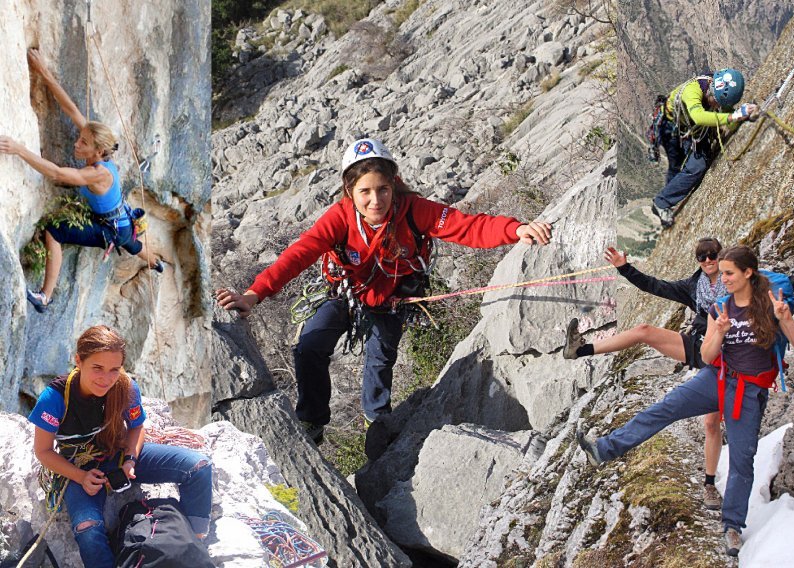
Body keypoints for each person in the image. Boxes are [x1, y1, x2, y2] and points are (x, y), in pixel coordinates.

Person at [216, 138, 552, 444]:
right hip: (344, 293)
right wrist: (254, 294)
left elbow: (466, 226)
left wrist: (515, 229)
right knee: (310, 346)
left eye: (383, 189)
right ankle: (312, 422)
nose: (376, 200)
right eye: (365, 192)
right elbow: (298, 254)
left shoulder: (413, 210)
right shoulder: (340, 218)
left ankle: (376, 424)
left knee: (380, 359)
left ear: (394, 186)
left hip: (392, 297)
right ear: (350, 192)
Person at [576, 245, 794, 557]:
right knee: (665, 408)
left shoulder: (771, 304)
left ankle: (732, 527)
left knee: (741, 460)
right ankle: (604, 449)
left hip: (748, 392)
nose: (723, 279)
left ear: (749, 273)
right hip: (718, 378)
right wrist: (718, 332)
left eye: (728, 273)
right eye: (721, 273)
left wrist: (786, 318)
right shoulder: (721, 306)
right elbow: (708, 356)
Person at [28, 325, 212, 567]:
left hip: (117, 453)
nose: (106, 379)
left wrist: (130, 460)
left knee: (199, 466)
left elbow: (137, 427)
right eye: (97, 368)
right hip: (80, 466)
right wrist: (81, 476)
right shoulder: (55, 399)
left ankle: (193, 546)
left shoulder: (125, 388)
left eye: (114, 369)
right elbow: (43, 451)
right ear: (79, 361)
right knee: (88, 528)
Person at [563, 237, 728, 509]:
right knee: (643, 331)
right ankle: (580, 350)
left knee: (712, 424)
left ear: (721, 255)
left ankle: (711, 486)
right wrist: (624, 268)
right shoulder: (693, 286)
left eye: (713, 255)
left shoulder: (737, 279)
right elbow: (655, 286)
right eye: (702, 256)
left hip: (730, 359)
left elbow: (777, 283)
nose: (708, 261)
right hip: (703, 349)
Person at [0, 49, 161, 314]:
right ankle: (155, 261)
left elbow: (59, 174)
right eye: (80, 138)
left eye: (83, 143)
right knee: (131, 243)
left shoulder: (98, 172)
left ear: (98, 151)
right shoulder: (98, 143)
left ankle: (45, 296)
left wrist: (19, 149)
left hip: (111, 229)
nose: (77, 142)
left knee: (54, 230)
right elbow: (71, 108)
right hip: (122, 222)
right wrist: (43, 72)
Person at [651, 69, 758, 228]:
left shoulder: (718, 93)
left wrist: (743, 114)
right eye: (717, 103)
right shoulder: (692, 91)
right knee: (688, 166)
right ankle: (661, 203)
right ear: (712, 93)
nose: (718, 107)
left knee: (701, 160)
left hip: (690, 125)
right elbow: (699, 116)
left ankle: (665, 199)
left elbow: (731, 122)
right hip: (673, 127)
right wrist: (733, 116)